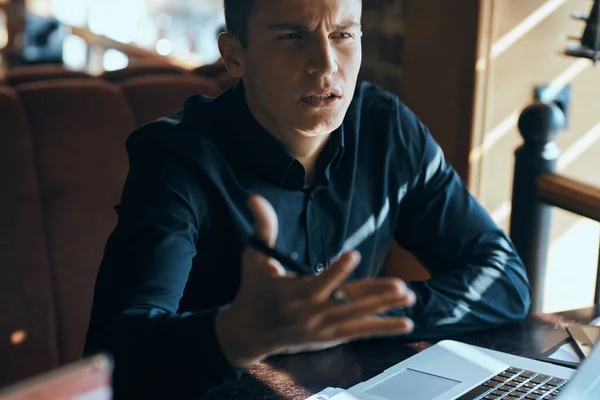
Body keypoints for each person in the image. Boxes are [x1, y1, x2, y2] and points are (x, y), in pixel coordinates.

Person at [84, 0, 531, 398]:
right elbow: (114, 359)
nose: (326, 64)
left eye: (343, 34)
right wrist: (237, 335)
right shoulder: (177, 158)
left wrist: (345, 312)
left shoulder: (387, 129)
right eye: (293, 36)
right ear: (234, 54)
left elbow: (503, 281)